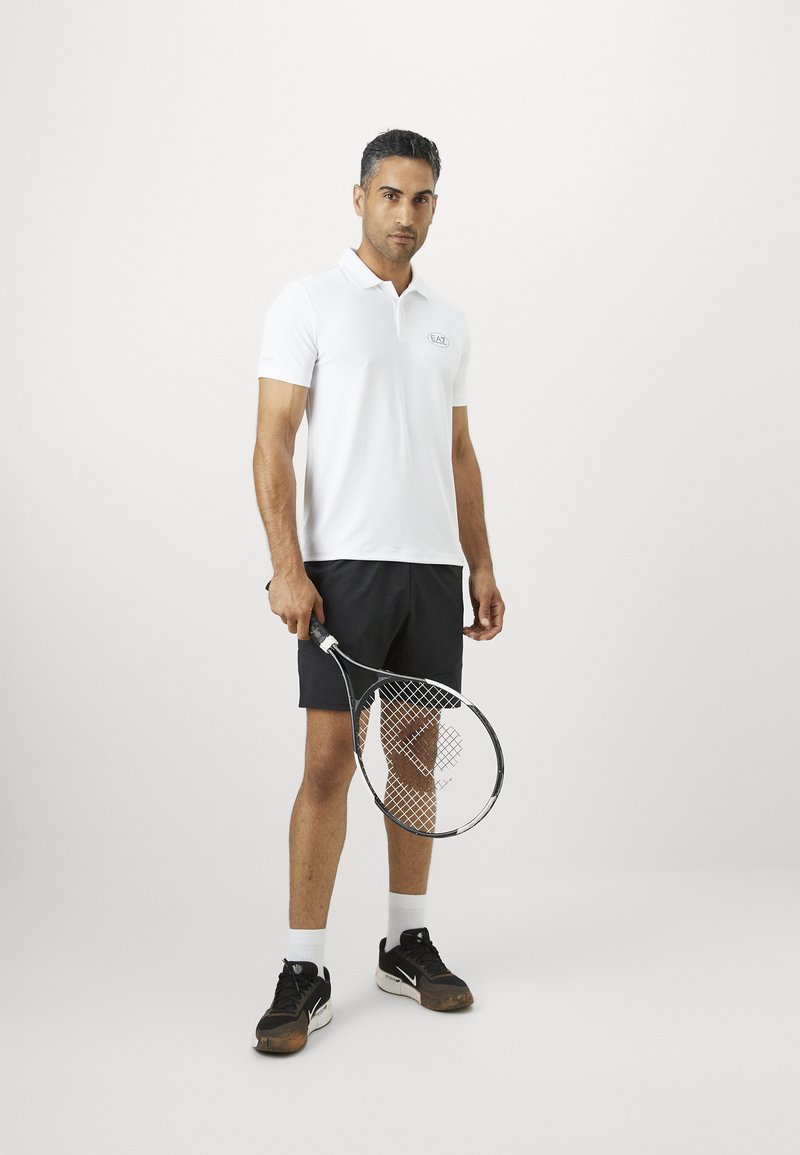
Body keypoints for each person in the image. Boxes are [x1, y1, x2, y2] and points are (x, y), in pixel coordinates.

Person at [252, 129, 504, 1054]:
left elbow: (459, 450)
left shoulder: (447, 320)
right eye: (390, 194)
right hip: (344, 568)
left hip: (431, 571)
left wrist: (481, 564)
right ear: (358, 197)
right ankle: (303, 967)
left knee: (417, 758)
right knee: (328, 764)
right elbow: (273, 438)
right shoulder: (308, 302)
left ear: (435, 207)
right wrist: (288, 563)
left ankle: (406, 942)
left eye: (421, 197)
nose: (406, 212)